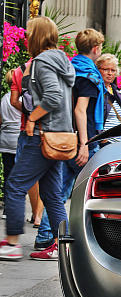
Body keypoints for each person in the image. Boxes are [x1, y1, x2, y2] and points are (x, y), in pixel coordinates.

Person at [0, 16, 75, 261]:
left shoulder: (42, 62)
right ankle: (63, 245)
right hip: (58, 137)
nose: (25, 36)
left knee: (14, 186)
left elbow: (52, 97)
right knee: (52, 194)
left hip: (42, 136)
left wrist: (32, 118)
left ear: (38, 35)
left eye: (29, 32)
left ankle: (11, 244)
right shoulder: (62, 60)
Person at [34, 28, 105, 251]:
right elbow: (80, 110)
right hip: (83, 140)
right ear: (95, 49)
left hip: (64, 136)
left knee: (59, 190)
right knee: (93, 192)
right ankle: (82, 238)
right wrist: (84, 144)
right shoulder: (89, 76)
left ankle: (46, 235)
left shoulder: (69, 68)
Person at [11, 58, 44, 227]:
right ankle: (44, 225)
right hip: (51, 131)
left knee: (26, 178)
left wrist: (30, 115)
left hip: (27, 129)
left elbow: (14, 101)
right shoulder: (58, 66)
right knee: (51, 180)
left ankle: (35, 215)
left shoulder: (20, 70)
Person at [1, 70, 22, 218]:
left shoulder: (4, 99)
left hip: (5, 140)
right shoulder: (21, 99)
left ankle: (7, 210)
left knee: (8, 173)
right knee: (19, 177)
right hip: (18, 139)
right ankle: (14, 210)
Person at [96, 53, 121, 145]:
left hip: (119, 143)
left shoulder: (120, 94)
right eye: (106, 69)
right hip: (103, 143)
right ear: (98, 70)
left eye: (113, 70)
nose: (110, 73)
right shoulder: (96, 92)